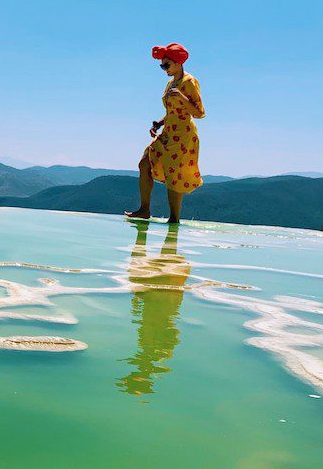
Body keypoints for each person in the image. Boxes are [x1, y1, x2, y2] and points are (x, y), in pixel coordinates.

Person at [126, 43, 205, 223]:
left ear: (178, 63)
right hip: (168, 132)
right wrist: (159, 123)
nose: (164, 69)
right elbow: (173, 111)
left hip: (184, 135)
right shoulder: (171, 83)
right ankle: (144, 209)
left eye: (166, 65)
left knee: (174, 176)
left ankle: (174, 219)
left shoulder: (189, 82)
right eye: (162, 65)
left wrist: (182, 97)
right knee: (144, 163)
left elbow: (199, 113)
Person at [117, 221, 189, 396]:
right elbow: (170, 328)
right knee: (162, 265)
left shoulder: (156, 354)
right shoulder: (157, 356)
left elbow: (169, 329)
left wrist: (140, 297)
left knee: (160, 267)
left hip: (161, 308)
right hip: (162, 308)